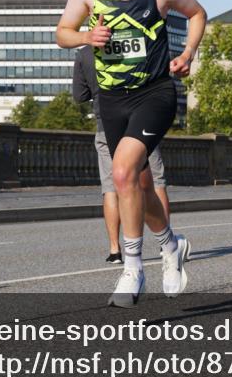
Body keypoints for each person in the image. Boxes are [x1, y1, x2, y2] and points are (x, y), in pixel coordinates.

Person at [56, 0, 206, 307]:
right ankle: (171, 246)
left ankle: (133, 267)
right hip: (112, 100)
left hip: (154, 94)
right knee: (138, 184)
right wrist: (87, 35)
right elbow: (62, 33)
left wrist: (189, 52)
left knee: (122, 172)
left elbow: (197, 13)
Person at [72, 46, 172, 264]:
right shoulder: (134, 42)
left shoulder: (85, 54)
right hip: (140, 123)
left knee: (110, 189)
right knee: (156, 183)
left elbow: (79, 96)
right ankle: (166, 245)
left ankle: (115, 250)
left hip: (105, 125)